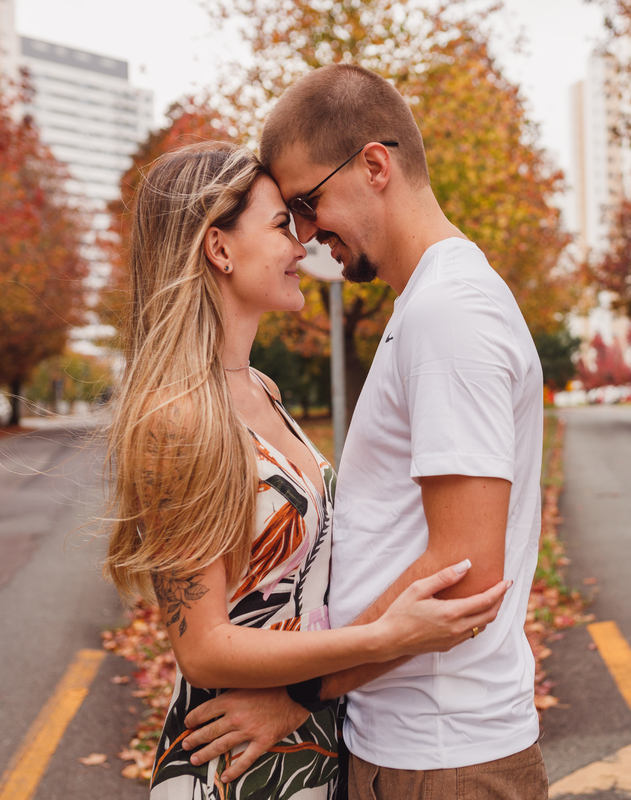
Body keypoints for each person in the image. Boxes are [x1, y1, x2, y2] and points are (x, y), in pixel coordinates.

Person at [179, 64, 549, 798]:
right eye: (291, 216)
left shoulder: (449, 314)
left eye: (308, 204)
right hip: (405, 745)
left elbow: (465, 575)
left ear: (375, 165)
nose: (308, 236)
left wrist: (299, 695)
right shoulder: (425, 308)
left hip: (442, 757)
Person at [102, 141, 510, 799]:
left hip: (310, 744)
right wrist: (379, 638)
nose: (303, 246)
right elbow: (202, 648)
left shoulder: (260, 389)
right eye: (280, 226)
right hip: (235, 764)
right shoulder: (176, 418)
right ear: (219, 249)